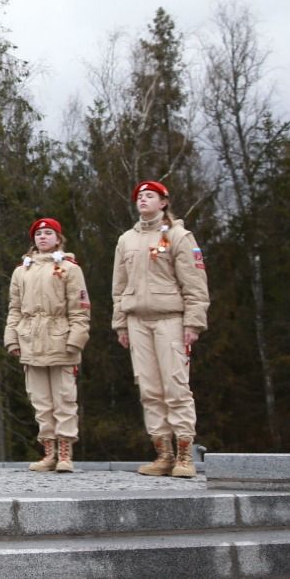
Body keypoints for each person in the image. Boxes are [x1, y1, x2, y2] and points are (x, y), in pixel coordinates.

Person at [112, 180, 210, 478]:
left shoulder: (179, 236)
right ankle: (163, 454)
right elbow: (119, 287)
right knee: (149, 389)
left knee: (175, 386)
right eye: (139, 196)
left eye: (149, 195)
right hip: (136, 320)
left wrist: (193, 322)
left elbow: (195, 284)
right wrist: (120, 324)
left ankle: (184, 456)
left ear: (163, 201)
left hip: (170, 319)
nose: (142, 199)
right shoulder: (126, 239)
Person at [4, 218, 90, 473]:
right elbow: (15, 308)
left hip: (60, 338)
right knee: (40, 401)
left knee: (64, 399)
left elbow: (80, 309)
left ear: (58, 238)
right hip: (31, 339)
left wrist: (76, 340)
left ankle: (65, 453)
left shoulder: (69, 269)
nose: (42, 237)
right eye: (39, 233)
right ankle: (49, 452)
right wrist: (12, 338)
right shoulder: (22, 271)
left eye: (48, 233)